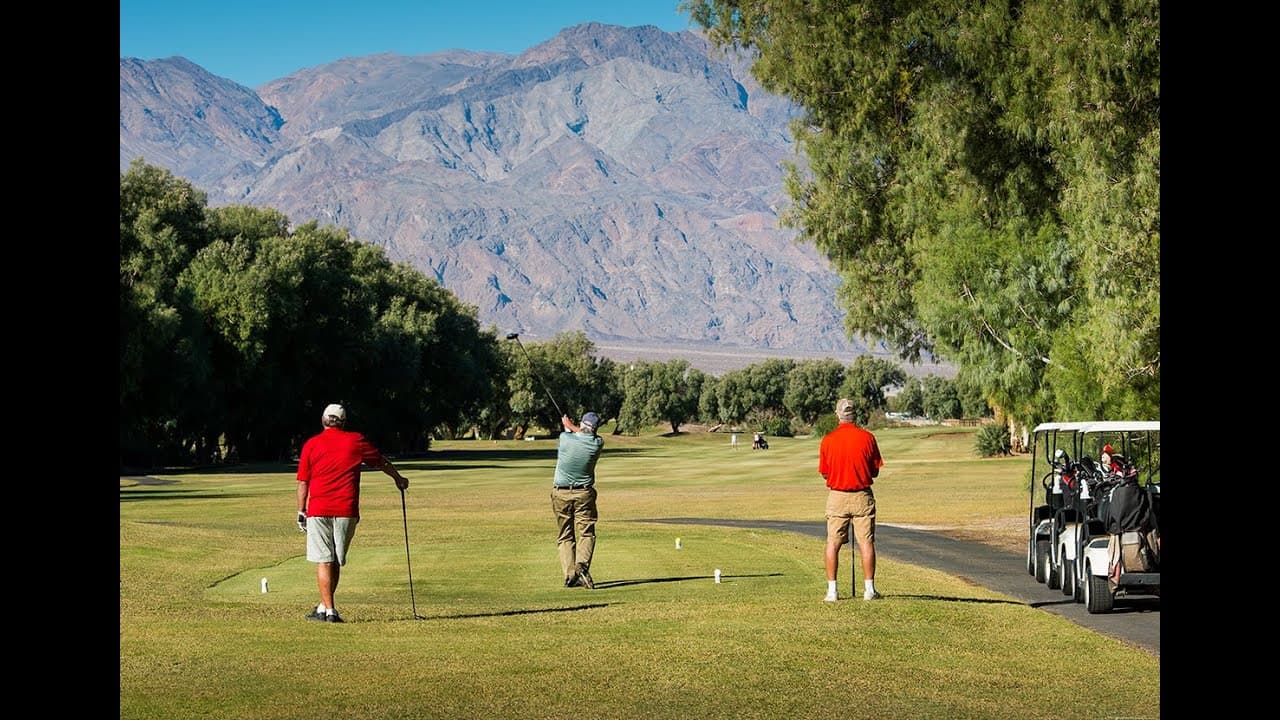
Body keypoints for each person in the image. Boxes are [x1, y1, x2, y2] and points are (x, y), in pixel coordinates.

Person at [296, 403, 409, 622]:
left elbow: (303, 481)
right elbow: (381, 462)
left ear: (323, 420)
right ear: (344, 422)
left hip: (318, 510)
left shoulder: (312, 444)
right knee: (335, 560)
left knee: (325, 561)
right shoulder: (356, 440)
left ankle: (329, 610)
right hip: (346, 510)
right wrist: (398, 478)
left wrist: (301, 510)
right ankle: (325, 608)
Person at [818, 398, 884, 602]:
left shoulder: (828, 440)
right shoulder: (868, 438)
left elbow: (825, 473)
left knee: (833, 543)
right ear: (854, 415)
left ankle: (832, 591)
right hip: (862, 496)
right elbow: (875, 471)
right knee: (866, 543)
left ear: (838, 415)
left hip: (837, 496)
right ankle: (869, 590)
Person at [552, 411, 605, 589]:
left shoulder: (565, 439)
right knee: (587, 532)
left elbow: (572, 433)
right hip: (584, 494)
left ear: (582, 424)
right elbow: (583, 434)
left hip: (561, 493)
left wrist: (567, 424)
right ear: (595, 429)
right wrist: (571, 426)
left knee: (565, 534)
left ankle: (570, 574)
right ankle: (581, 566)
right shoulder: (597, 444)